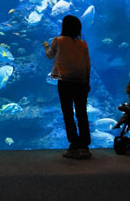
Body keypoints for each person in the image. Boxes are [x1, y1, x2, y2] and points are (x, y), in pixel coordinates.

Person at [43, 15, 92, 159]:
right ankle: (84, 146)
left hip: (65, 81)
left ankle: (74, 145)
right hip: (81, 81)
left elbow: (50, 56)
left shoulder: (58, 41)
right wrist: (87, 82)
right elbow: (87, 64)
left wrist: (46, 46)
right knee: (82, 114)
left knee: (68, 113)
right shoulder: (83, 43)